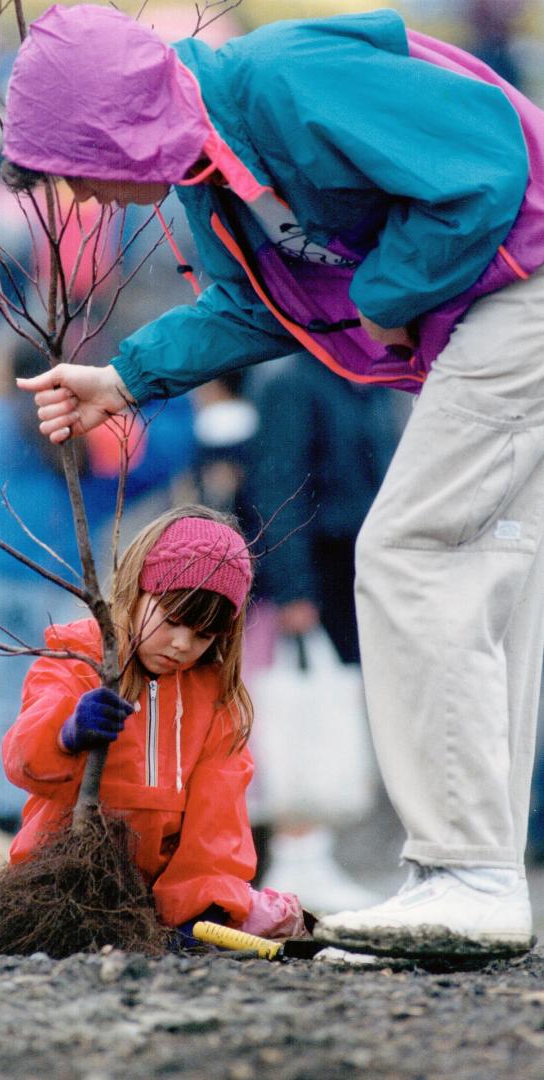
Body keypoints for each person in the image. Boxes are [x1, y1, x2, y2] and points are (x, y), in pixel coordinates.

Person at [3, 5, 544, 956]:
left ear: (111, 125)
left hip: (523, 286)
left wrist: (384, 298)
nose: (79, 200)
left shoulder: (282, 80)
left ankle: (467, 873)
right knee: (490, 571)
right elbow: (262, 311)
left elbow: (486, 166)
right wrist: (124, 380)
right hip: (492, 315)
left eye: (72, 169)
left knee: (413, 549)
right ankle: (474, 874)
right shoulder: (212, 179)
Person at [0, 341, 196, 832]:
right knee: (62, 692)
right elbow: (155, 459)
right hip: (62, 581)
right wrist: (176, 394)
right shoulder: (82, 419)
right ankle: (52, 808)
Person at [1, 505, 308, 944]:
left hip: (157, 899)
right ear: (137, 590)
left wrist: (198, 911)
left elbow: (217, 827)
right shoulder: (77, 659)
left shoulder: (216, 701)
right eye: (173, 620)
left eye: (204, 635)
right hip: (63, 883)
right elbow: (21, 760)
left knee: (257, 915)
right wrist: (67, 734)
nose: (183, 644)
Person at [242, 354, 401, 913]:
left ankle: (315, 853)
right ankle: (295, 858)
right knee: (295, 717)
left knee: (328, 712)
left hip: (352, 575)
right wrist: (293, 589)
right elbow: (278, 484)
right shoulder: (290, 382)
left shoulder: (370, 382)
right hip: (313, 576)